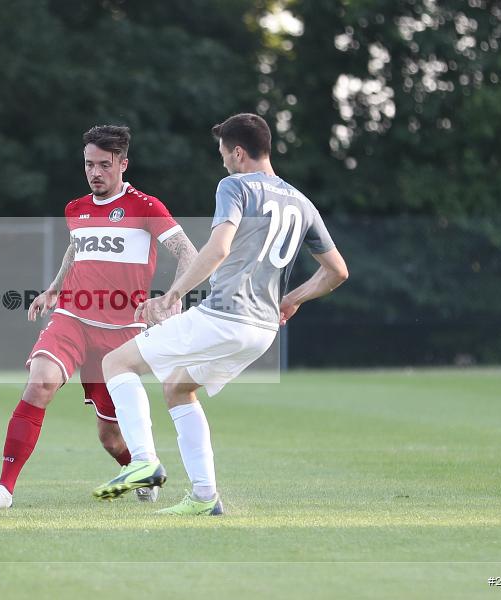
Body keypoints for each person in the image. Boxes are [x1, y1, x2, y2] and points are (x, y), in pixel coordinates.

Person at [92, 113, 349, 515]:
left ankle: (143, 462)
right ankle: (204, 497)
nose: (223, 161)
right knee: (178, 387)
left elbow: (218, 248)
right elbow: (337, 272)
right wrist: (291, 299)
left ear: (239, 152)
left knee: (116, 363)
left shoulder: (235, 185)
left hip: (225, 317)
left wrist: (172, 295)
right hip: (262, 331)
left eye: (224, 153)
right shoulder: (302, 202)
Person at [0, 125, 197, 509]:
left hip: (122, 333)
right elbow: (76, 248)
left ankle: (141, 470)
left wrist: (172, 297)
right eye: (90, 164)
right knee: (40, 382)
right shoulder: (76, 209)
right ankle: (3, 490)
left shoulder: (145, 206)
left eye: (105, 165)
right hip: (72, 317)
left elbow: (189, 252)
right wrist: (54, 288)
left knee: (110, 437)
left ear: (123, 164)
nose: (95, 172)